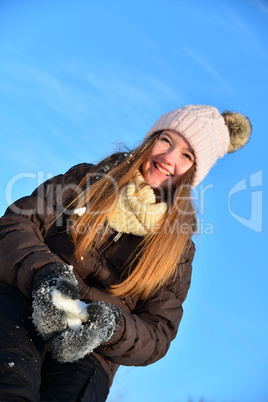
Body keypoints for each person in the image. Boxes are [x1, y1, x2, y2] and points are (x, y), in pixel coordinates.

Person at [0, 105, 252, 401]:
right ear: (151, 139)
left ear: (195, 171)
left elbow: (158, 331)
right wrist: (47, 275)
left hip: (92, 353)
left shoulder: (178, 247)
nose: (169, 158)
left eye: (187, 155)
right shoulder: (88, 179)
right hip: (24, 298)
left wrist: (109, 325)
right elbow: (17, 223)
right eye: (167, 141)